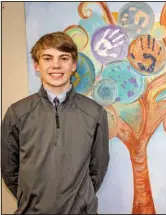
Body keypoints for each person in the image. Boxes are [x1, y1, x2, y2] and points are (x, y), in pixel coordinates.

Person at [1, 31, 110, 214]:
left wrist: (81, 199)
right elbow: (9, 169)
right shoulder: (17, 112)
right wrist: (28, 197)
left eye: (64, 58)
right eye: (48, 58)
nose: (56, 65)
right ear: (37, 65)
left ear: (74, 65)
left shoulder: (94, 113)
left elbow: (97, 169)